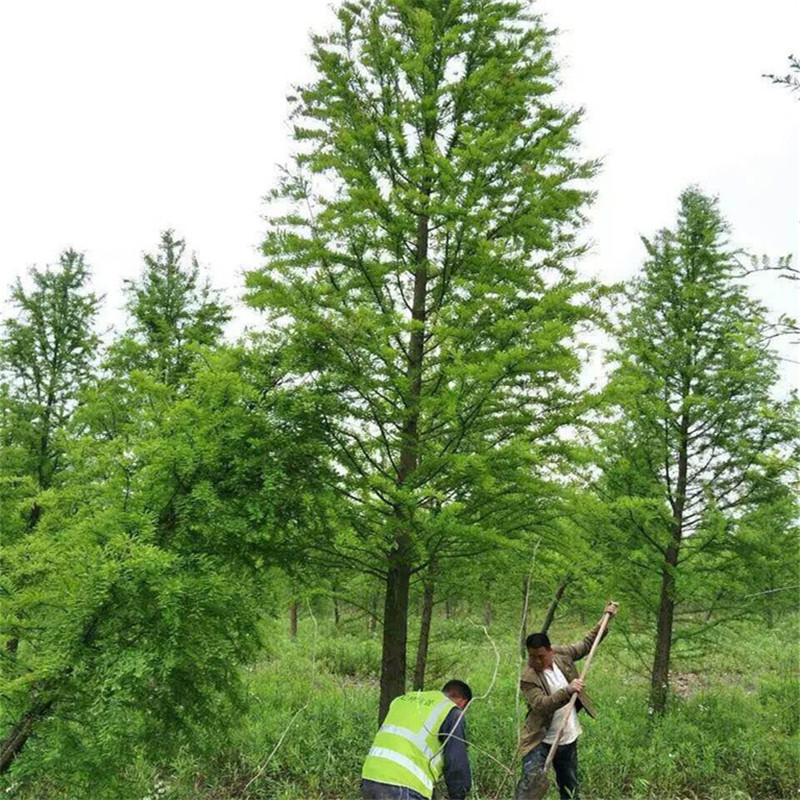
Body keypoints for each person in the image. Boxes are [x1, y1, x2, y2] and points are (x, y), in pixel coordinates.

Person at [516, 602, 618, 800]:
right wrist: (568, 690)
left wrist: (606, 618)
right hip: (540, 739)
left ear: (550, 651)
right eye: (531, 656)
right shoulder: (528, 677)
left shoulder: (562, 654)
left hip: (566, 735)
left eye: (541, 656)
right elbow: (541, 704)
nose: (536, 661)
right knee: (529, 787)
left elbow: (587, 643)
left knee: (569, 788)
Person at [361, 679, 473, 800]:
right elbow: (456, 761)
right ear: (463, 703)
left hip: (370, 778)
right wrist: (459, 794)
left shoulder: (404, 699)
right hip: (404, 785)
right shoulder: (452, 712)